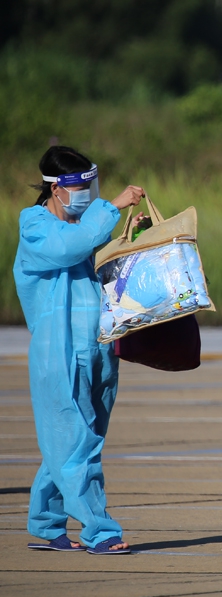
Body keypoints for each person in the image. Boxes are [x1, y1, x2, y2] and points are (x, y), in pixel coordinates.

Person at [14, 146, 145, 555]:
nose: (87, 194)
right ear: (56, 189)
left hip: (100, 347)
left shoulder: (87, 226)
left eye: (93, 186)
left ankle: (47, 522)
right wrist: (111, 208)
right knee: (75, 442)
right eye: (80, 187)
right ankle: (100, 530)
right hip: (59, 354)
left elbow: (100, 262)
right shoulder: (35, 225)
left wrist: (129, 237)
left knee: (81, 439)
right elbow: (68, 247)